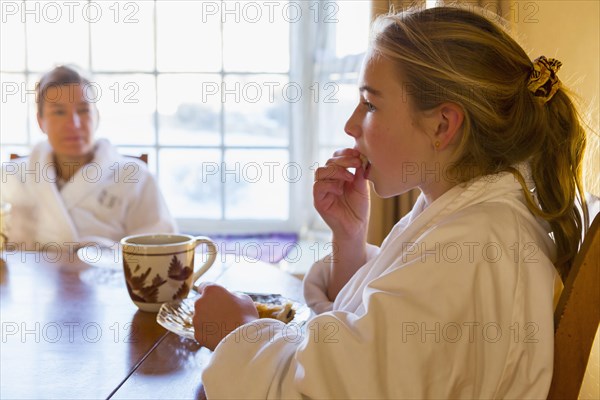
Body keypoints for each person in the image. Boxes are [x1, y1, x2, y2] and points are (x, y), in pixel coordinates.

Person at [191, 6, 590, 399]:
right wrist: (349, 238)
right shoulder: (468, 220)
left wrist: (238, 334)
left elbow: (323, 392)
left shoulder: (473, 247)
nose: (350, 125)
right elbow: (370, 356)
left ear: (442, 125)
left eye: (370, 104)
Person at [1, 65, 176, 250]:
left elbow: (163, 249)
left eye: (83, 110)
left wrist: (104, 255)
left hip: (110, 278)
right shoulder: (11, 178)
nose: (74, 124)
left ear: (97, 116)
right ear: (40, 121)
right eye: (59, 112)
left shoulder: (135, 178)